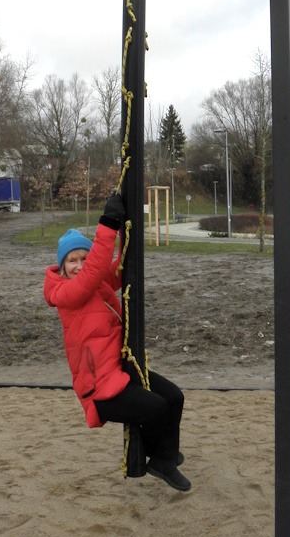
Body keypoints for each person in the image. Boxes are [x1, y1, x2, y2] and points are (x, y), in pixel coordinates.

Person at [43, 191, 190, 492]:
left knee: (174, 397)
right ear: (61, 267)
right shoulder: (65, 295)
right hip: (98, 388)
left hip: (120, 370)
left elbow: (121, 267)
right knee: (156, 408)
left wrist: (126, 229)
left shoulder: (95, 284)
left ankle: (162, 454)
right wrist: (107, 224)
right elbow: (95, 271)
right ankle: (160, 457)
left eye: (84, 258)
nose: (79, 265)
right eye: (72, 261)